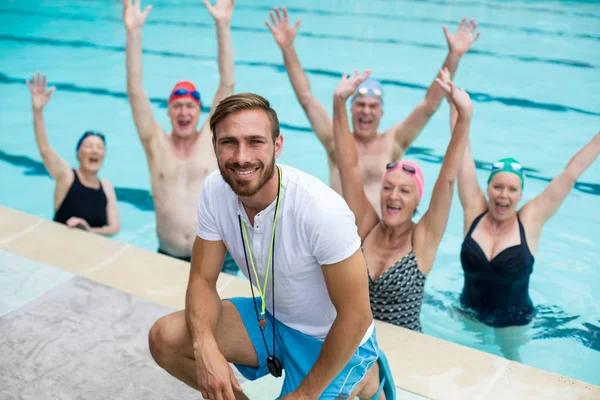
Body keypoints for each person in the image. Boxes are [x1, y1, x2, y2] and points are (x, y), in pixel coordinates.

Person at [147, 93, 396, 400]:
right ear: (214, 147)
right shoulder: (215, 190)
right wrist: (204, 347)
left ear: (277, 145)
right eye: (229, 142)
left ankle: (368, 376)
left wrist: (305, 394)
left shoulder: (321, 210)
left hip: (332, 339)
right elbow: (202, 278)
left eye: (255, 141)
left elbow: (356, 317)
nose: (241, 157)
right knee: (165, 339)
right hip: (274, 321)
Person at [266, 6, 480, 213]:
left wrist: (454, 56)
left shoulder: (393, 141)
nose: (366, 111)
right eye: (360, 104)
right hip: (339, 238)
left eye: (372, 106)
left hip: (378, 237)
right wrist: (287, 48)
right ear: (350, 110)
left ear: (381, 113)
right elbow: (306, 98)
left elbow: (429, 105)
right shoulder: (336, 140)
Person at [452, 93, 600, 358]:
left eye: (512, 189)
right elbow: (462, 153)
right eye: (497, 186)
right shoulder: (474, 209)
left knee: (513, 371)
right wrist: (457, 107)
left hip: (514, 325)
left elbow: (571, 173)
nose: (503, 195)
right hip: (467, 314)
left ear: (521, 195)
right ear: (487, 188)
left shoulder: (530, 219)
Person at [332, 68, 472, 332]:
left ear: (416, 201)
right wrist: (339, 103)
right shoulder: (366, 225)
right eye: (388, 188)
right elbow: (348, 168)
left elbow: (447, 180)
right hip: (355, 343)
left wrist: (464, 119)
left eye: (404, 191)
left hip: (405, 348)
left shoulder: (423, 239)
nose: (393, 195)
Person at [123, 0, 238, 272]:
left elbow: (227, 83)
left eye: (190, 106)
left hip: (218, 258)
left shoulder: (211, 140)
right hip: (168, 257)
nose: (184, 112)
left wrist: (222, 26)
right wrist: (133, 33)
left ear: (200, 112)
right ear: (169, 111)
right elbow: (135, 91)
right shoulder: (154, 142)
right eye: (178, 106)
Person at [26, 72, 120, 236]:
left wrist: (88, 230)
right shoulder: (66, 176)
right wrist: (37, 111)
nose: (95, 150)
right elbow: (44, 148)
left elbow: (114, 228)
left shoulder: (107, 187)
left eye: (99, 147)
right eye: (89, 146)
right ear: (78, 153)